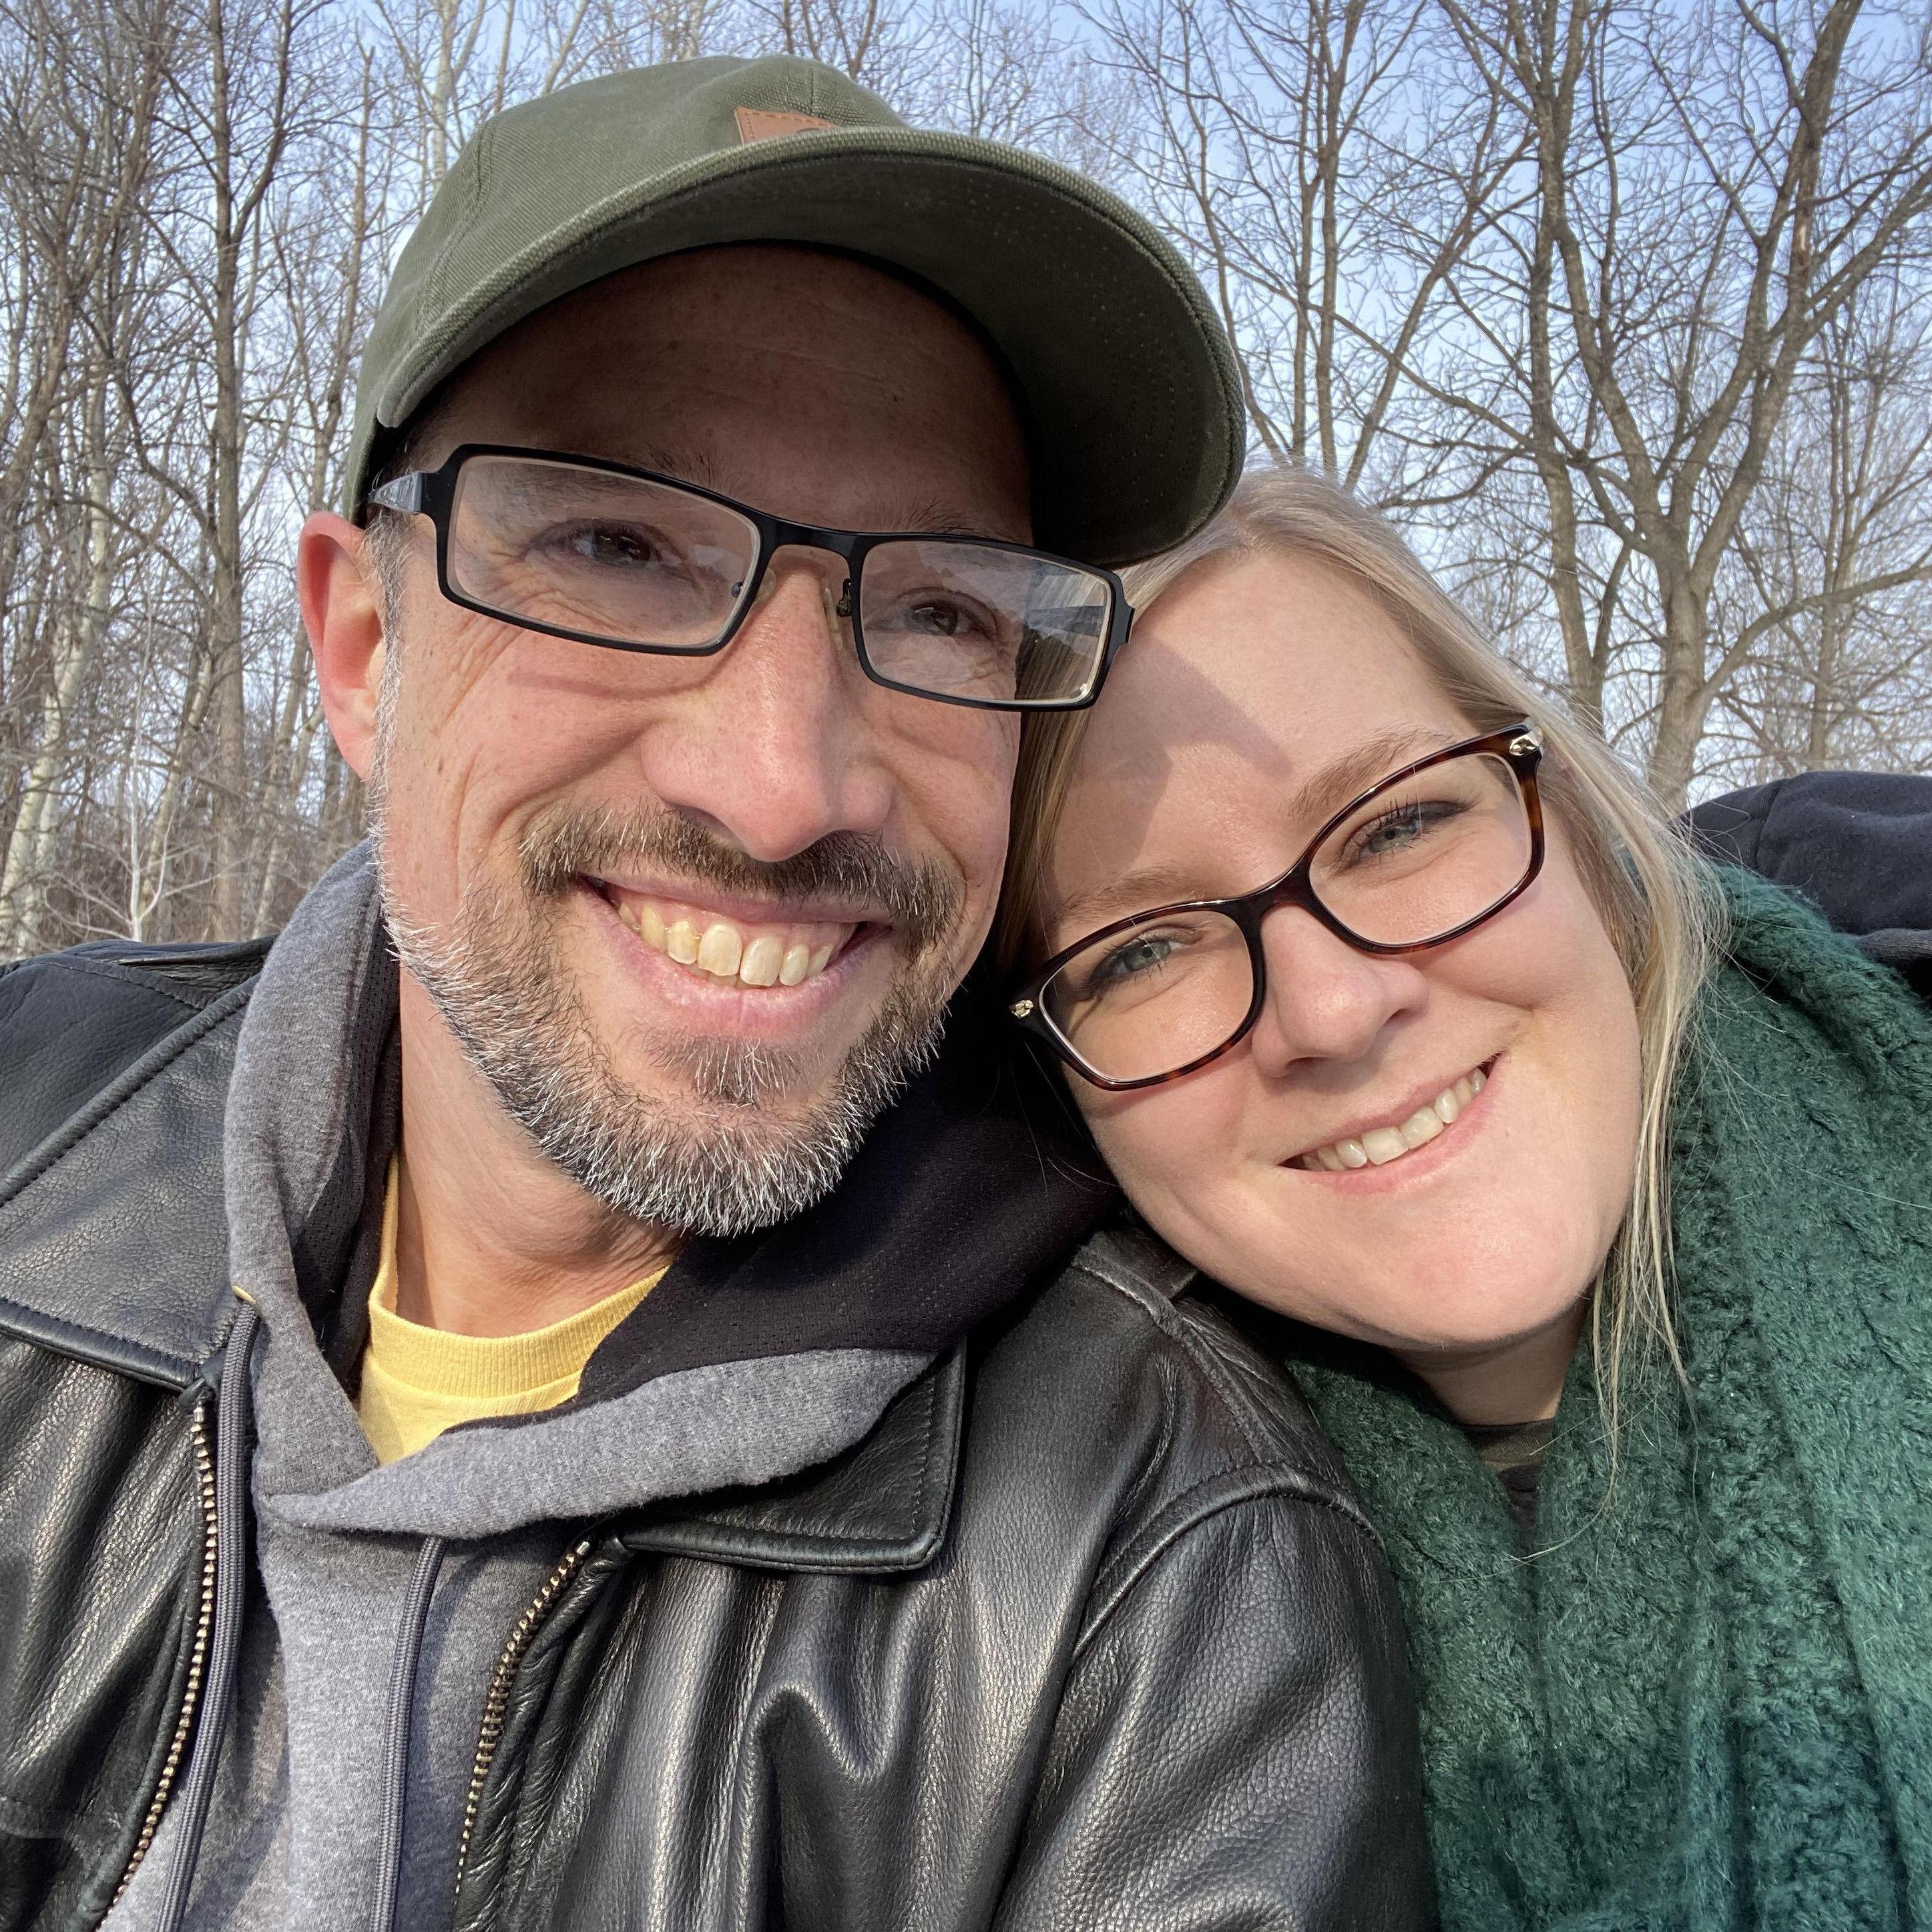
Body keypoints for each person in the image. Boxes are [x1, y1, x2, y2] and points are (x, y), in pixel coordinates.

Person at [0, 57, 1434, 1932]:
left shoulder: (1154, 1578)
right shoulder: (28, 1135)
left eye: (939, 606)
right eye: (616, 546)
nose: (780, 786)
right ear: (361, 649)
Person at [1000, 465, 1932, 1931]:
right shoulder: (1070, 1608)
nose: (1331, 1008)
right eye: (1140, 952)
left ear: (1574, 827)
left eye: (1394, 827)